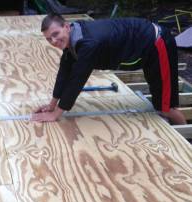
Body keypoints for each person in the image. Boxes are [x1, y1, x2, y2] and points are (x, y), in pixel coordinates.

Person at [31, 13, 187, 125]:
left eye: (56, 34)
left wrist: (56, 114)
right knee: (159, 104)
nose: (54, 41)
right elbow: (64, 72)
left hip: (157, 43)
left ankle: (187, 141)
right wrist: (52, 105)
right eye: (49, 38)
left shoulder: (88, 44)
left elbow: (77, 79)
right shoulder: (74, 36)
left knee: (166, 108)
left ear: (66, 26)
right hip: (142, 45)